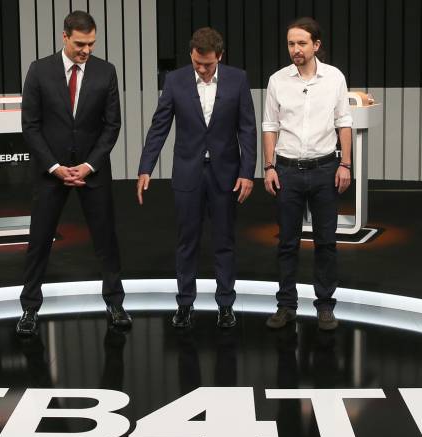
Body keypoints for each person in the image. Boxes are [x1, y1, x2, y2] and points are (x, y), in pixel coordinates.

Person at [17, 11, 129, 335]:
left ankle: (115, 304)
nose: (86, 50)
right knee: (39, 241)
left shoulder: (106, 72)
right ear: (64, 37)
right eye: (80, 44)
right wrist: (54, 167)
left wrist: (89, 165)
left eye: (91, 44)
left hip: (92, 171)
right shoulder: (39, 70)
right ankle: (29, 309)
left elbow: (112, 125)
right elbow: (30, 125)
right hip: (50, 172)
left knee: (106, 240)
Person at [136, 27, 257, 329]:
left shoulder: (237, 79)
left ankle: (226, 305)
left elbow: (247, 129)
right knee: (186, 240)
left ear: (220, 56)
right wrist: (145, 167)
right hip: (188, 172)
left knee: (224, 240)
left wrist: (247, 173)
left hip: (226, 173)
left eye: (207, 64)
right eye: (197, 63)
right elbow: (159, 126)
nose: (201, 69)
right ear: (191, 55)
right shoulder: (175, 80)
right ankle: (184, 304)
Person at [261, 17, 352, 331]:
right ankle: (286, 306)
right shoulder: (277, 80)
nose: (295, 49)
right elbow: (270, 125)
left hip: (325, 169)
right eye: (291, 44)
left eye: (302, 43)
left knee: (326, 242)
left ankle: (324, 306)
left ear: (316, 45)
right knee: (287, 243)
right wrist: (269, 166)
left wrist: (345, 164)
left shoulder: (334, 78)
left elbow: (344, 122)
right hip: (287, 170)